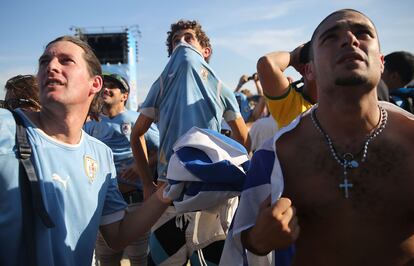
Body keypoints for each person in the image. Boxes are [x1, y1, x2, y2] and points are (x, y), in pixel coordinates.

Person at [223, 9, 414, 265]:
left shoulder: (410, 140)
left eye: (362, 33)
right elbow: (241, 240)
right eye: (330, 38)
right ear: (309, 70)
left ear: (381, 62)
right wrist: (260, 238)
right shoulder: (277, 155)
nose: (349, 40)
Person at [0, 35, 170, 266]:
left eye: (66, 60)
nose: (51, 66)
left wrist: (164, 194)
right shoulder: (5, 128)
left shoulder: (100, 154)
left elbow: (118, 235)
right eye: (44, 61)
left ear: (95, 84)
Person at [131, 19, 250, 265]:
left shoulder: (221, 88)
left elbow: (244, 141)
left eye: (189, 38)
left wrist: (224, 163)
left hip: (210, 201)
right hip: (168, 197)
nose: (182, 44)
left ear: (205, 51)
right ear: (170, 54)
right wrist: (146, 184)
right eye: (176, 41)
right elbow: (136, 134)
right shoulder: (162, 84)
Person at [84, 73, 160, 266]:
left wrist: (141, 164)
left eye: (113, 87)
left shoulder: (137, 119)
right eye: (104, 86)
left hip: (134, 201)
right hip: (105, 204)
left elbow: (163, 150)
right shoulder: (90, 124)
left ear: (124, 96)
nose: (106, 89)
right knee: (107, 259)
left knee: (138, 259)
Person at [257, 41, 317, 129]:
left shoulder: (337, 104)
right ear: (309, 70)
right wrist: (294, 55)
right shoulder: (293, 106)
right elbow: (267, 64)